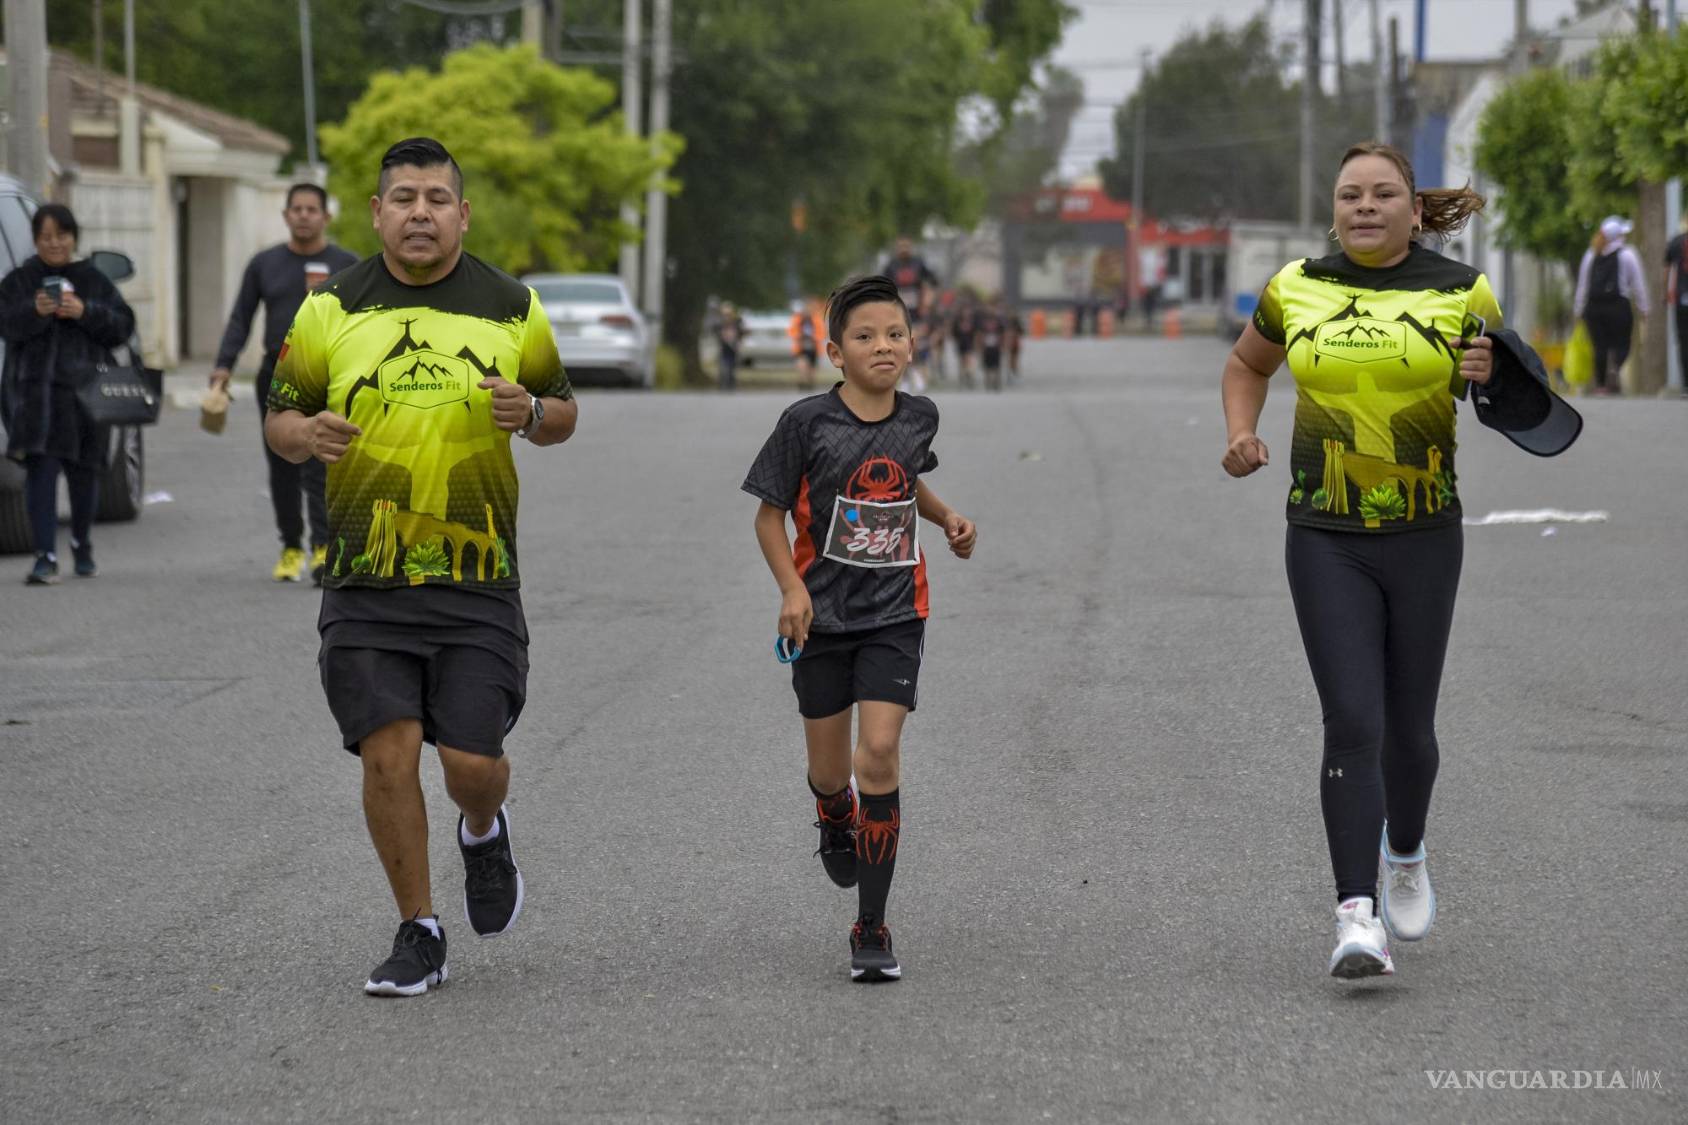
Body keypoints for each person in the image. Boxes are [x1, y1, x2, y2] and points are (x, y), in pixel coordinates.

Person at [264, 138, 577, 997]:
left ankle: (483, 825)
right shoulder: (332, 310)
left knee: (471, 762)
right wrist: (307, 435)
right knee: (387, 754)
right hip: (365, 577)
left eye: (437, 198)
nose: (420, 212)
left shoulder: (513, 307)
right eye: (403, 197)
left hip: (476, 581)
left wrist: (532, 412)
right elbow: (280, 418)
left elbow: (563, 411)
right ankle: (419, 928)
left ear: (462, 214)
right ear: (376, 213)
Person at [1220, 142, 1500, 981]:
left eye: (1384, 194)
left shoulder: (1461, 291)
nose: (1365, 207)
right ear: (1334, 209)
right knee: (1353, 718)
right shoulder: (1295, 287)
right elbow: (1246, 363)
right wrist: (1239, 431)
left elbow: (1518, 400)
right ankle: (1357, 912)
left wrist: (1491, 371)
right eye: (1350, 196)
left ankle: (1405, 848)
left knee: (1410, 730)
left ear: (1417, 210)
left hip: (1424, 533)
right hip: (1323, 533)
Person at [743, 274, 976, 983]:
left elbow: (905, 480)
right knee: (829, 767)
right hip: (821, 614)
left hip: (896, 612)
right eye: (866, 336)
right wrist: (790, 589)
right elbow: (768, 515)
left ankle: (871, 925)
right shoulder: (805, 424)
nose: (883, 345)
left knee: (878, 753)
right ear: (836, 351)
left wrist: (947, 519)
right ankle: (832, 808)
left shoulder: (920, 416)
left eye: (895, 333)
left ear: (912, 343)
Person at [211, 184, 359, 583]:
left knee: (321, 459)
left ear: (326, 217)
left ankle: (325, 546)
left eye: (313, 209)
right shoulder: (265, 264)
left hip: (329, 375)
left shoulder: (347, 264)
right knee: (282, 459)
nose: (304, 215)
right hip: (276, 375)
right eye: (297, 209)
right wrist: (224, 365)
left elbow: (368, 321)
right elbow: (241, 317)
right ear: (286, 215)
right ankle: (291, 546)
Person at [0, 203, 135, 585]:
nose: (54, 244)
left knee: (84, 473)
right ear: (35, 239)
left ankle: (82, 544)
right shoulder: (20, 281)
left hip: (85, 398)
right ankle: (44, 555)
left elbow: (122, 326)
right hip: (35, 399)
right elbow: (6, 324)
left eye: (61, 236)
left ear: (74, 237)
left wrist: (84, 311)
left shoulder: (92, 279)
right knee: (40, 473)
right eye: (46, 237)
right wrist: (35, 310)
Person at [1573, 216, 1649, 396]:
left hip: (1593, 308)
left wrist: (1578, 310)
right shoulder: (1628, 254)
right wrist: (1644, 307)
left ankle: (1601, 385)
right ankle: (1616, 366)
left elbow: (1583, 285)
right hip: (1618, 306)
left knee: (1599, 346)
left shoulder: (1591, 254)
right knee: (1622, 343)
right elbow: (1638, 283)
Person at [879, 236, 939, 323]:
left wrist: (929, 296)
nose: (904, 249)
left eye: (906, 246)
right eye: (901, 246)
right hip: (896, 305)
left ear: (911, 247)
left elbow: (933, 280)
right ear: (897, 248)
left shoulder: (918, 263)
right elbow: (882, 285)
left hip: (917, 306)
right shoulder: (891, 265)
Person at [1665, 213, 1688, 397]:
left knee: (1683, 341)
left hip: (1681, 298)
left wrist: (1665, 294)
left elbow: (1666, 270)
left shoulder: (1675, 242)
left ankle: (1686, 384)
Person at [788, 298, 823, 391]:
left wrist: (813, 337)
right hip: (800, 347)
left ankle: (810, 384)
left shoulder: (816, 319)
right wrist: (800, 336)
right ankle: (802, 382)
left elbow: (821, 333)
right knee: (802, 365)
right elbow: (791, 331)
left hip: (813, 347)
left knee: (812, 369)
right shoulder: (797, 319)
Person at [714, 301, 746, 391]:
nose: (726, 316)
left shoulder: (736, 322)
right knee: (723, 367)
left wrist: (740, 341)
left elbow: (741, 332)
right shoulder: (720, 323)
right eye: (725, 314)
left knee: (732, 367)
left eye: (728, 314)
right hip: (724, 348)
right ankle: (722, 385)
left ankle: (731, 385)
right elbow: (716, 332)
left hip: (733, 348)